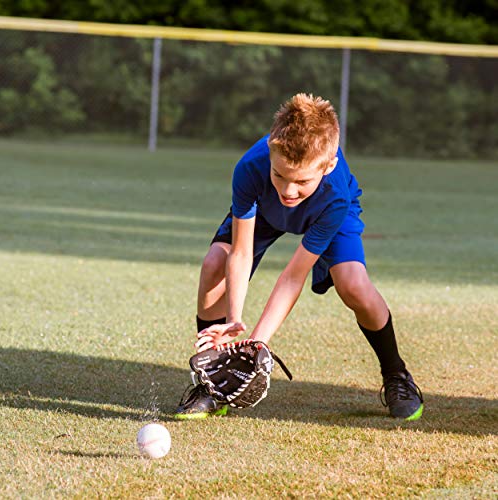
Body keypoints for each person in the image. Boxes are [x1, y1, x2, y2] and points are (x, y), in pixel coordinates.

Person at [174, 93, 423, 421]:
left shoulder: (335, 195)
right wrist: (234, 319)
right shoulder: (250, 168)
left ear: (328, 165)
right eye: (280, 174)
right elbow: (241, 251)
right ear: (271, 151)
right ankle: (213, 383)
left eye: (301, 180)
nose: (288, 190)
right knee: (214, 264)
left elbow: (293, 276)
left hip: (324, 211)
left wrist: (256, 343)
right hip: (266, 210)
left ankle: (396, 374)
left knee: (353, 284)